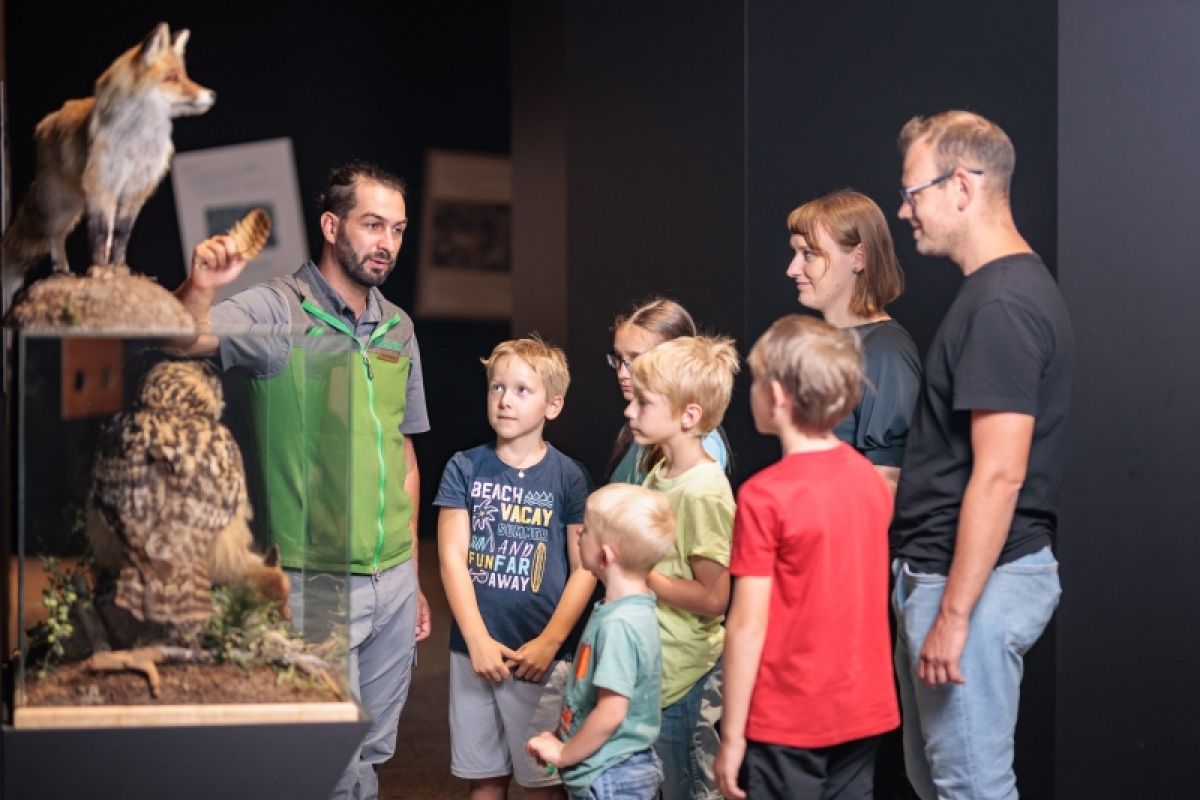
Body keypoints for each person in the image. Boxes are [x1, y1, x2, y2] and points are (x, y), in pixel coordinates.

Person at [175, 161, 431, 800]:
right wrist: (200, 284)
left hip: (394, 578)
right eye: (373, 225)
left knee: (370, 753)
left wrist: (414, 575)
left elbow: (401, 451)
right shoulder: (276, 309)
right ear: (330, 224)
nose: (387, 244)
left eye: (397, 230)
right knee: (324, 761)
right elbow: (185, 338)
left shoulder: (399, 327)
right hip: (314, 582)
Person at [891, 110, 1075, 800]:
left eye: (912, 192)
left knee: (971, 790)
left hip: (973, 585)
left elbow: (1000, 474)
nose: (903, 210)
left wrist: (955, 617)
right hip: (951, 579)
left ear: (962, 187)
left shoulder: (1001, 304)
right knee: (943, 784)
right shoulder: (995, 293)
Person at [714, 314, 899, 800]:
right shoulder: (872, 484)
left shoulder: (764, 497)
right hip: (864, 707)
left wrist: (732, 736)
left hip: (790, 714)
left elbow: (746, 626)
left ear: (776, 396)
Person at [435, 336, 596, 800]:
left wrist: (550, 643)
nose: (505, 399)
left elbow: (585, 567)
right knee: (483, 778)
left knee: (542, 781)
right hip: (474, 653)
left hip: (539, 659)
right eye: (497, 388)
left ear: (554, 405)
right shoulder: (463, 467)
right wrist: (477, 640)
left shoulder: (570, 476)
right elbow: (450, 559)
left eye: (522, 390)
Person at [624, 335, 739, 800]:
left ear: (689, 416)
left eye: (643, 402)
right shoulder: (660, 471)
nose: (630, 412)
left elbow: (714, 598)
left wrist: (641, 575)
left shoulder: (705, 491)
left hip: (687, 678)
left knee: (687, 787)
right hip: (657, 665)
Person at [526, 482, 677, 800]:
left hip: (611, 776)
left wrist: (564, 754)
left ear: (606, 555)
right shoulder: (630, 608)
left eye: (587, 530)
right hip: (611, 766)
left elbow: (611, 712)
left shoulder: (619, 625)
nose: (579, 533)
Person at [785, 189, 921, 493]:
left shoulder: (885, 351)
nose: (793, 269)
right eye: (794, 254)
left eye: (808, 254)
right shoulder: (823, 344)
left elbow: (887, 482)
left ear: (858, 257)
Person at [604, 297, 730, 484]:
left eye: (636, 359)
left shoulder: (700, 445)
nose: (622, 372)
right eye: (618, 358)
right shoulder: (641, 425)